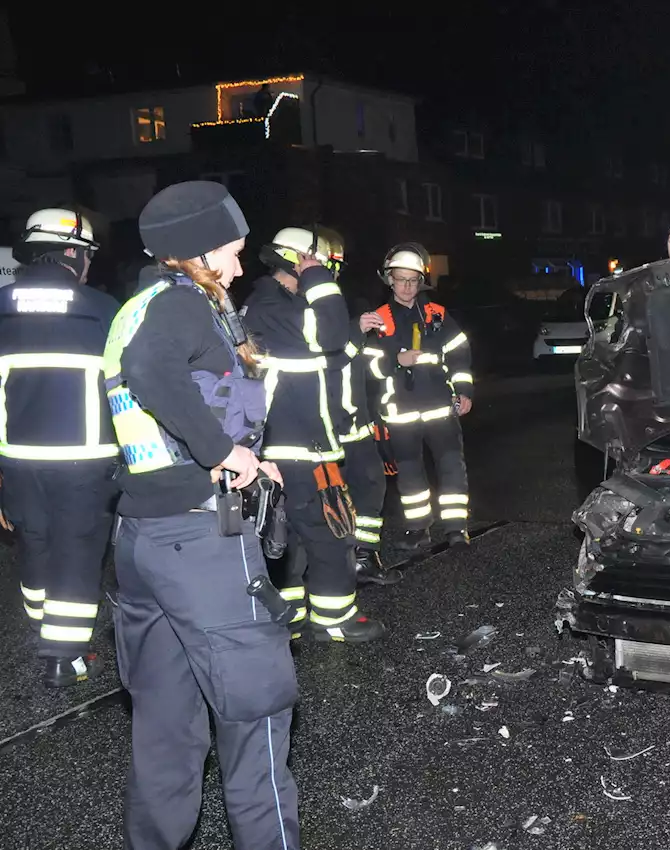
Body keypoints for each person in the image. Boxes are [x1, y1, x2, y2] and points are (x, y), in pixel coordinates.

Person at [104, 181, 299, 849]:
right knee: (256, 724)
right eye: (234, 253)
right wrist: (224, 455)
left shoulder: (138, 305)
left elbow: (161, 401)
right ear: (198, 252)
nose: (241, 269)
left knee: (165, 735)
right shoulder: (185, 306)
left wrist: (241, 455)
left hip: (142, 538)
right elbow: (152, 372)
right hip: (202, 541)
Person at [242, 227, 388, 641]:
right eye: (320, 263)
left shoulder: (279, 306)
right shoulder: (271, 306)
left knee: (292, 535)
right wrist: (317, 279)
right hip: (297, 446)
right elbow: (328, 334)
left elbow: (333, 352)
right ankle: (333, 619)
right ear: (297, 260)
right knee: (328, 532)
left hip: (298, 442)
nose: (326, 272)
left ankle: (292, 615)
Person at [0, 208, 120, 687]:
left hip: (17, 459)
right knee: (77, 551)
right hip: (84, 461)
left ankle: (42, 629)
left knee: (34, 542)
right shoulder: (103, 309)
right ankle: (64, 657)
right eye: (87, 254)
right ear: (73, 252)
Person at [372, 243, 474, 551]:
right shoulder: (377, 320)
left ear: (421, 282)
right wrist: (394, 361)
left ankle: (457, 529)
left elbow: (459, 354)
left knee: (451, 467)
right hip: (400, 413)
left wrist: (465, 391)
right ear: (389, 280)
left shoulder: (437, 315)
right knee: (410, 474)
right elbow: (368, 368)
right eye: (400, 279)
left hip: (440, 409)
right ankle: (418, 529)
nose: (406, 286)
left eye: (412, 280)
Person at [317, 225, 403, 584]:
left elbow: (359, 365)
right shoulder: (304, 307)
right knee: (325, 500)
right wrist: (356, 330)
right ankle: (328, 568)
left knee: (371, 483)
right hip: (321, 424)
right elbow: (330, 359)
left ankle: (364, 558)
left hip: (354, 420)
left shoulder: (338, 301)